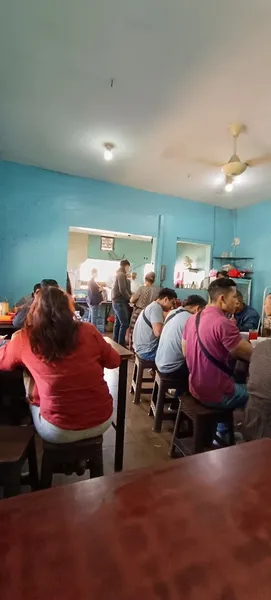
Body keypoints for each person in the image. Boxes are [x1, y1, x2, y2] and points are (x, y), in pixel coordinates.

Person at [0, 287, 120, 443]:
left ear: (35, 310)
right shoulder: (88, 331)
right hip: (102, 421)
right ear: (69, 308)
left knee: (27, 390)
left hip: (58, 430)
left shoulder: (25, 338)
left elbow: (3, 362)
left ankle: (39, 453)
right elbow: (114, 361)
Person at [182, 278, 252, 411]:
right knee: (259, 394)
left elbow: (185, 352)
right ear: (222, 299)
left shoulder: (192, 318)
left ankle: (223, 429)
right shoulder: (223, 323)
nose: (237, 302)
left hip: (194, 387)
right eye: (234, 297)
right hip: (217, 394)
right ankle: (250, 431)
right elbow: (251, 355)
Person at [156, 294, 207, 385]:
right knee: (205, 371)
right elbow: (189, 353)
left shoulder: (172, 312)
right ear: (197, 309)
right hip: (171, 370)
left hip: (159, 362)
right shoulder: (191, 319)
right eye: (203, 312)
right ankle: (183, 395)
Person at [133, 288, 177, 361]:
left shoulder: (152, 306)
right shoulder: (156, 308)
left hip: (141, 349)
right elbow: (158, 333)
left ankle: (155, 371)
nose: (172, 307)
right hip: (147, 352)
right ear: (166, 299)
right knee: (178, 357)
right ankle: (161, 371)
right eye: (172, 303)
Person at [128, 272, 159, 351]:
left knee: (133, 331)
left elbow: (132, 299)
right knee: (145, 333)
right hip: (150, 315)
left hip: (139, 312)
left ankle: (132, 350)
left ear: (145, 279)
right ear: (154, 281)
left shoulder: (141, 288)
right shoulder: (157, 290)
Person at [112, 259, 131, 346]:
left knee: (118, 323)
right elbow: (122, 290)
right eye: (128, 267)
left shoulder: (119, 274)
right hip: (119, 301)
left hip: (116, 301)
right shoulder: (121, 274)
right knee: (125, 323)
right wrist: (130, 298)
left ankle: (115, 343)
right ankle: (121, 345)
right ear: (126, 266)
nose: (129, 269)